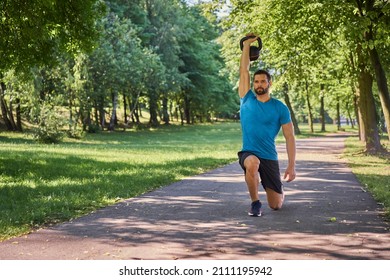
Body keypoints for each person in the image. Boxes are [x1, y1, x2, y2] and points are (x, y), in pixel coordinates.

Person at [238, 33, 296, 217]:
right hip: (249, 153)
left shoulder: (280, 108)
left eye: (263, 81)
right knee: (252, 163)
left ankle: (274, 189)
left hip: (269, 156)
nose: (259, 84)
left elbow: (289, 137)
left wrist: (292, 166)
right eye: (256, 81)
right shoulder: (246, 99)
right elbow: (243, 70)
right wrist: (247, 45)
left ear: (269, 83)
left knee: (276, 205)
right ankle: (255, 203)